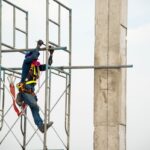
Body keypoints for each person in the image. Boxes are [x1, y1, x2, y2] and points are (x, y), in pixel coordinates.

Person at [16, 40, 54, 133]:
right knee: (34, 105)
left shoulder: (36, 66)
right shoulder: (26, 62)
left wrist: (51, 54)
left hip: (30, 89)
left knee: (35, 108)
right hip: (25, 87)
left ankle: (41, 126)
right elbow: (34, 55)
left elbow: (48, 65)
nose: (36, 58)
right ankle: (20, 96)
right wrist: (38, 46)